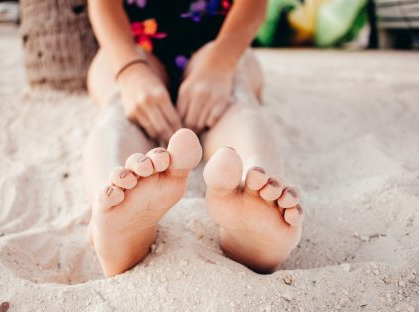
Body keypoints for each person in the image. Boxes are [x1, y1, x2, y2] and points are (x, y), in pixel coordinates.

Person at [84, 0, 304, 277]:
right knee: (118, 105)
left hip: (221, 47)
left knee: (237, 99)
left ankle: (254, 194)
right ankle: (109, 209)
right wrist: (129, 70)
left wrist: (222, 61)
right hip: (130, 50)